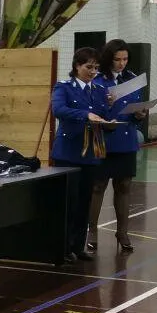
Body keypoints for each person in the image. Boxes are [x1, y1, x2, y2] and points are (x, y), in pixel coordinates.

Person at [51, 47, 110, 264]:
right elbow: (58, 110)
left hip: (90, 152)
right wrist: (86, 114)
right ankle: (64, 247)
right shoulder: (64, 87)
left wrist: (109, 111)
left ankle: (78, 245)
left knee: (85, 202)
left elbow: (103, 115)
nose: (93, 72)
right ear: (77, 66)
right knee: (69, 202)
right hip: (68, 152)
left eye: (96, 68)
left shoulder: (99, 90)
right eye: (89, 67)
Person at [87, 39, 146, 253]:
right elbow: (89, 110)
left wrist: (139, 114)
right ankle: (92, 231)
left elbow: (136, 108)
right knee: (98, 186)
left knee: (124, 186)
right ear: (108, 59)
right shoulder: (97, 80)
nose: (122, 63)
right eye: (117, 59)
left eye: (125, 59)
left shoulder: (132, 79)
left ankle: (122, 232)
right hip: (102, 137)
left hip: (126, 138)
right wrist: (106, 109)